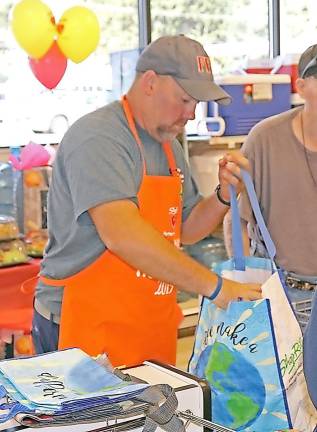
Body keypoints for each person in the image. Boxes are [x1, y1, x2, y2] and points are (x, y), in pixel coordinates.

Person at [32, 35, 261, 367]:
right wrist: (216, 287)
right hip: (82, 328)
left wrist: (223, 195)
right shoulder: (100, 137)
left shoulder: (168, 144)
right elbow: (122, 234)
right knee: (95, 420)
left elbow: (185, 227)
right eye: (184, 100)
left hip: (145, 322)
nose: (190, 114)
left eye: (195, 103)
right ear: (150, 82)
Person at [223, 43, 317, 407]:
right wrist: (248, 292)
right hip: (283, 295)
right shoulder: (265, 138)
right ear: (302, 85)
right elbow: (237, 217)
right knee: (278, 407)